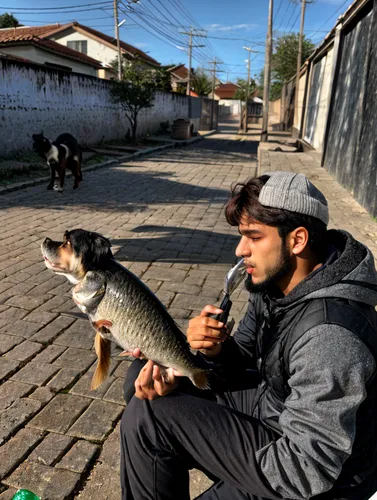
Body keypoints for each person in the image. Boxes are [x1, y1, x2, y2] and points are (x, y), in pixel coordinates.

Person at [120, 171, 377, 500]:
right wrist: (216, 349)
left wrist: (231, 460)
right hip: (274, 408)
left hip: (309, 476)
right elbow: (240, 360)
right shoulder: (275, 285)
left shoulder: (331, 334)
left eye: (253, 237)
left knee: (150, 417)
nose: (240, 249)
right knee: (141, 378)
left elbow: (305, 469)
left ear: (297, 240)